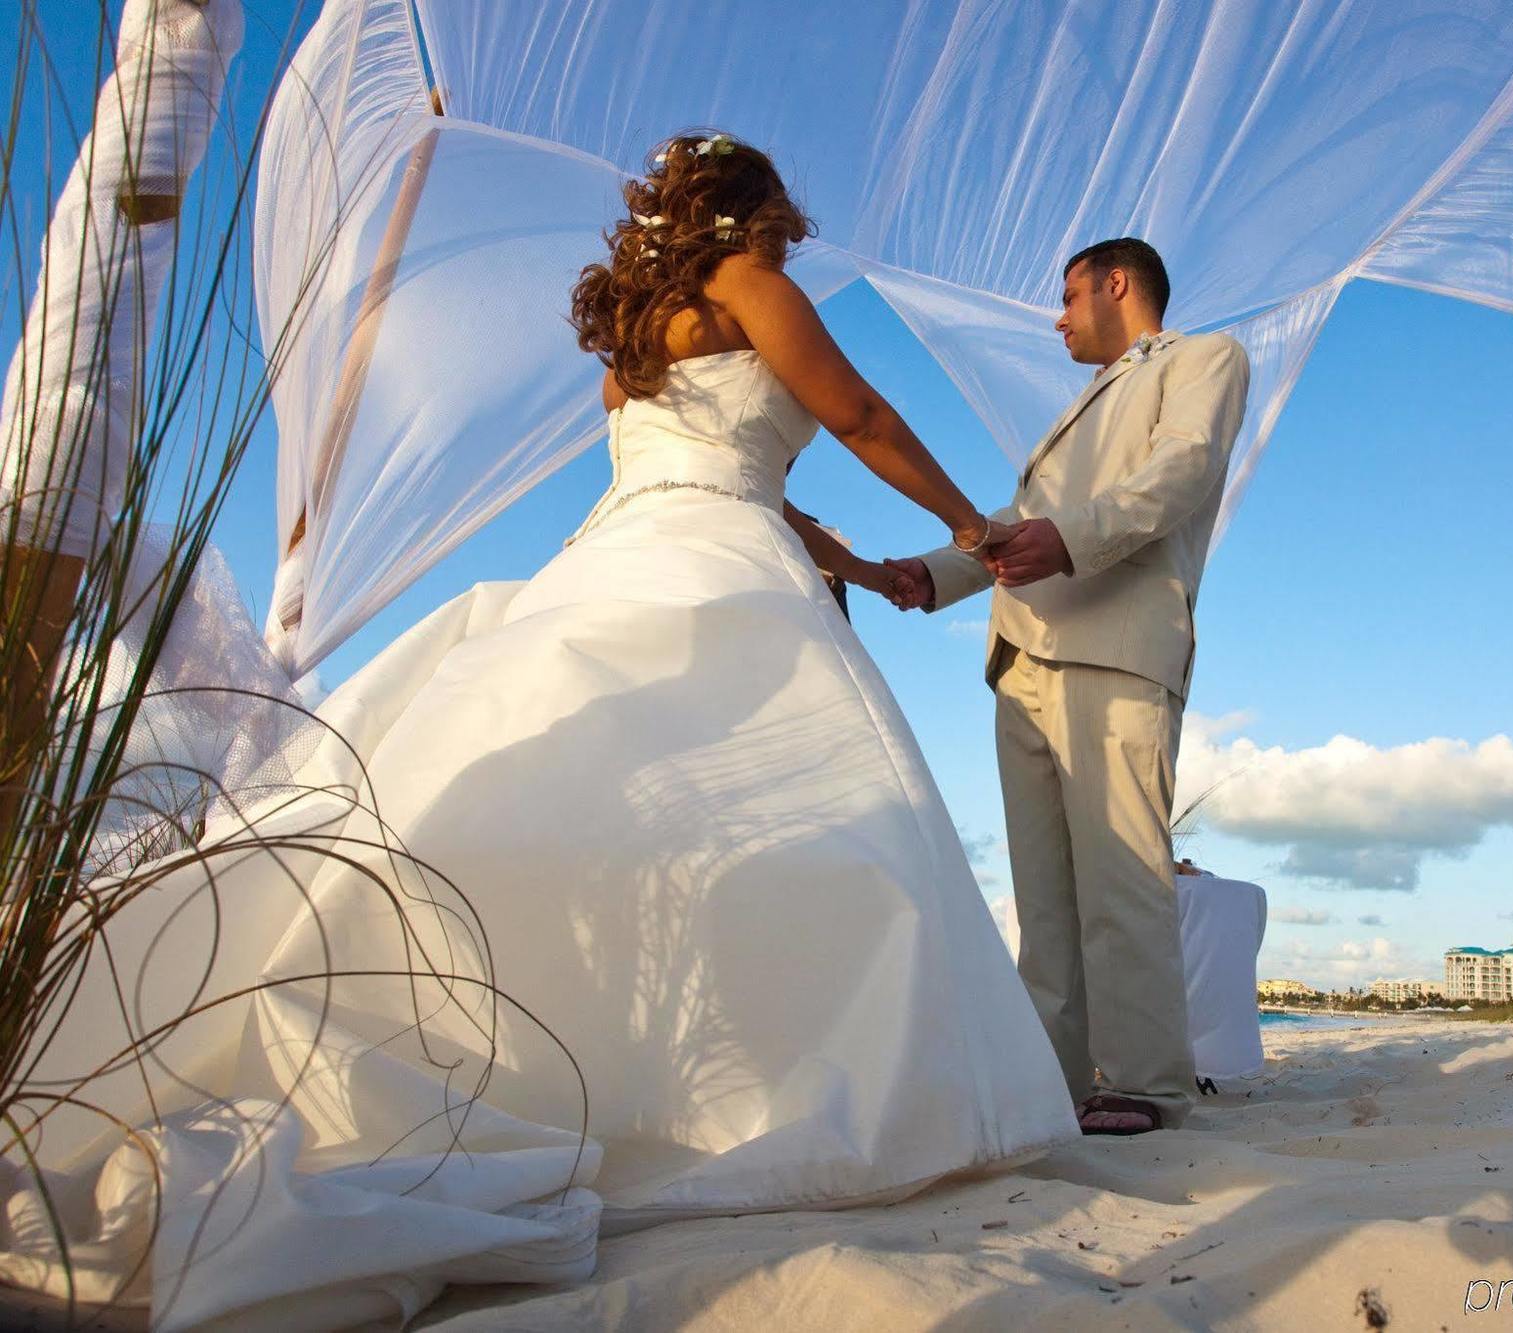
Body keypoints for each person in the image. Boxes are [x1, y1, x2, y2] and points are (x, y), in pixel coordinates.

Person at [21, 131, 1077, 1328]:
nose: (791, 238)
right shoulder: (749, 283)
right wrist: (971, 519)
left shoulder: (632, 335)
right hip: (716, 562)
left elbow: (734, 477)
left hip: (629, 547)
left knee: (580, 798)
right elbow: (858, 410)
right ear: (755, 208)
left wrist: (864, 569)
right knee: (786, 815)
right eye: (784, 216)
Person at [888, 238, 1250, 1136]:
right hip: (1021, 661)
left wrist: (1073, 537)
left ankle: (1142, 1080)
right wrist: (934, 574)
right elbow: (1016, 527)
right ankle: (1053, 1082)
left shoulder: (1206, 358)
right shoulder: (1082, 404)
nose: (1057, 317)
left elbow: (1183, 471)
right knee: (1044, 901)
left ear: (1117, 283)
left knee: (1123, 878)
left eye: (1068, 295)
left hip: (1116, 649)